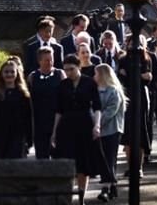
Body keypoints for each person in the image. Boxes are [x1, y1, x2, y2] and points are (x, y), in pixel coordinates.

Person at [53, 54, 103, 203]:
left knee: (83, 162)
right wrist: (54, 131)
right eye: (66, 70)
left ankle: (81, 197)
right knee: (67, 160)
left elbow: (97, 106)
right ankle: (67, 196)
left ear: (78, 67)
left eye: (71, 69)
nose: (68, 72)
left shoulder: (89, 82)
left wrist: (97, 125)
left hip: (84, 123)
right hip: (67, 125)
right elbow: (58, 110)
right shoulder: (63, 85)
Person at [118, 34, 153, 178]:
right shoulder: (123, 59)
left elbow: (148, 78)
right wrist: (139, 75)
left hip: (141, 97)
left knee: (140, 131)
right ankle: (130, 166)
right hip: (128, 97)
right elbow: (121, 77)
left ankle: (139, 167)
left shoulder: (146, 59)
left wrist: (133, 75)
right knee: (128, 133)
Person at [0, 59, 32, 158]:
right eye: (6, 72)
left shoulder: (23, 94)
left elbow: (28, 117)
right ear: (1, 74)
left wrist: (29, 138)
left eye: (12, 72)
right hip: (0, 133)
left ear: (17, 74)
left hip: (17, 134)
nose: (9, 74)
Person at [95, 64, 126, 202]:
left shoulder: (114, 91)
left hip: (112, 130)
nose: (94, 76)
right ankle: (112, 186)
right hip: (100, 131)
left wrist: (97, 121)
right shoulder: (96, 90)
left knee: (109, 159)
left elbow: (110, 111)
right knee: (105, 160)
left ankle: (106, 187)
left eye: (96, 74)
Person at [28, 46, 65, 159]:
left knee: (59, 154)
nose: (50, 62)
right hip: (40, 121)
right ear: (39, 61)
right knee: (41, 155)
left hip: (57, 119)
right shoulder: (33, 77)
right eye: (46, 60)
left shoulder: (60, 74)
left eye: (51, 59)